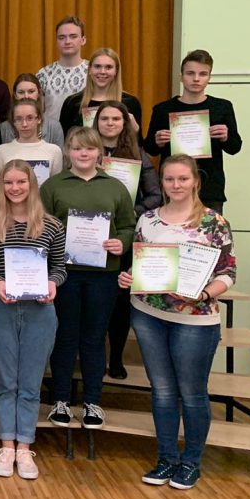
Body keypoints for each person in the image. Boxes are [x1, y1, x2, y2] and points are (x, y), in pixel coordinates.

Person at [119, 155, 237, 490]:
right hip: (149, 315)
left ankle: (191, 463)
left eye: (183, 178)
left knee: (193, 393)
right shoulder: (147, 221)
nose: (176, 185)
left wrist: (204, 294)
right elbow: (142, 265)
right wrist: (129, 277)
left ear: (195, 181)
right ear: (162, 182)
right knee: (162, 391)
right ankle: (167, 459)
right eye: (169, 179)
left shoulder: (214, 223)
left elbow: (229, 273)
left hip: (195, 320)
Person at [40, 126, 135, 430]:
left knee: (94, 338)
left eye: (90, 148)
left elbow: (128, 226)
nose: (83, 153)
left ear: (100, 152)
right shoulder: (53, 186)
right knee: (65, 336)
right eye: (77, 148)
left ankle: (93, 401)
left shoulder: (115, 187)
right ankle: (61, 400)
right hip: (64, 274)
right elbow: (41, 226)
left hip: (103, 275)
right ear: (68, 151)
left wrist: (122, 243)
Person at [0, 161, 66, 479]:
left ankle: (25, 447)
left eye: (21, 182)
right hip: (1, 308)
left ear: (32, 184)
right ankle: (6, 445)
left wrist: (53, 283)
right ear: (1, 186)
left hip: (40, 310)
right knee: (6, 381)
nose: (15, 188)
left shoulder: (52, 225)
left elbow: (60, 267)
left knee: (30, 382)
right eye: (8, 182)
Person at [96, 100, 163, 379]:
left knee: (120, 302)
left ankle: (116, 358)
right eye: (104, 119)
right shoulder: (87, 152)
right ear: (96, 123)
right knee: (95, 299)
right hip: (93, 237)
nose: (110, 123)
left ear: (125, 123)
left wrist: (131, 212)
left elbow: (156, 196)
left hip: (125, 235)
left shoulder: (137, 154)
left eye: (116, 118)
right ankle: (94, 357)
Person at [144, 49, 242, 214]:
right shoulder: (163, 109)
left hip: (210, 188)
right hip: (173, 188)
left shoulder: (222, 107)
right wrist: (157, 141)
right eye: (190, 73)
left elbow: (235, 147)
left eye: (203, 74)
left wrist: (226, 137)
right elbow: (150, 149)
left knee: (210, 230)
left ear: (209, 77)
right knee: (173, 229)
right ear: (181, 76)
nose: (196, 79)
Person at [59, 47, 142, 140]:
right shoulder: (72, 102)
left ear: (116, 71)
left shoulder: (130, 103)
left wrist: (135, 130)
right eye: (97, 66)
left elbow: (138, 144)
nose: (102, 72)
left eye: (108, 67)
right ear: (90, 70)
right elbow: (65, 142)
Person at [0, 99, 64, 186]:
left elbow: (55, 186)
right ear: (13, 122)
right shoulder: (2, 151)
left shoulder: (54, 150)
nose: (24, 124)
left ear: (39, 119)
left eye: (30, 118)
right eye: (19, 119)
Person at [36, 15, 88, 125]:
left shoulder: (94, 73)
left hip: (84, 134)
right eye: (61, 37)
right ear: (56, 41)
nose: (67, 41)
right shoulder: (43, 74)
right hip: (50, 134)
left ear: (83, 40)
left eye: (73, 36)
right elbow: (37, 112)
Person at [0, 74, 65, 149]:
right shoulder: (4, 128)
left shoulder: (54, 127)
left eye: (31, 91)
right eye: (21, 92)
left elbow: (59, 155)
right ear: (15, 95)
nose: (26, 96)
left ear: (38, 93)